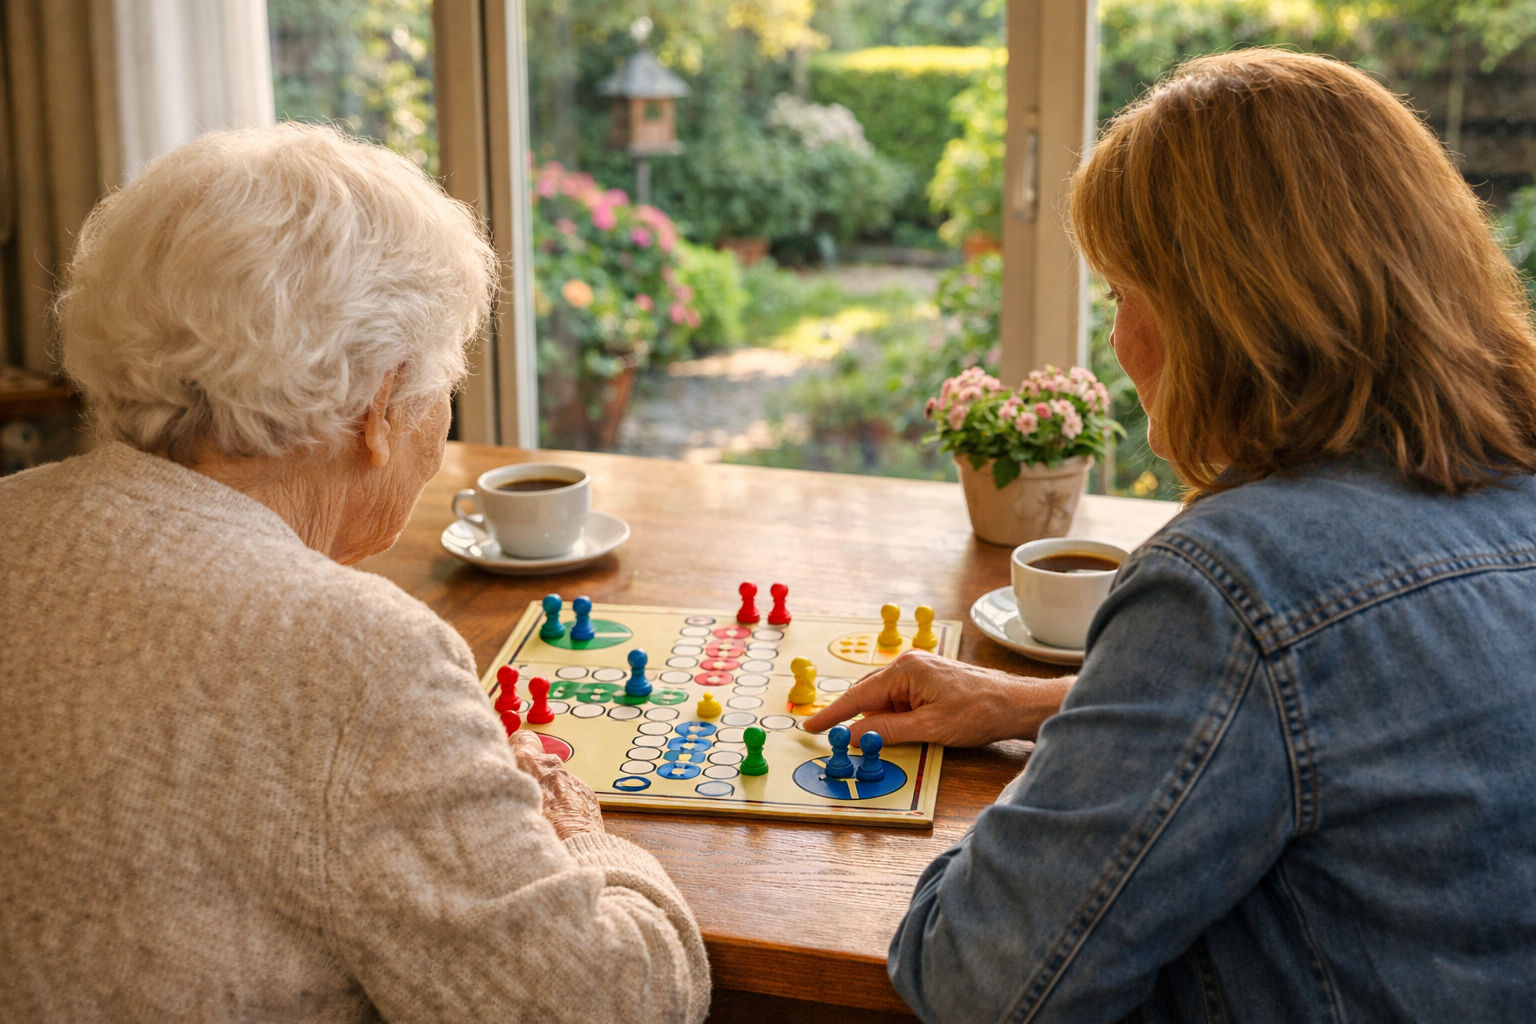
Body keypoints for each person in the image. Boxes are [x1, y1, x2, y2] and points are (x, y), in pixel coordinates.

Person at [806, 48, 1536, 1022]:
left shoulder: (1231, 581)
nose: (1116, 343)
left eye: (1122, 293)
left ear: (1221, 312)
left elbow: (974, 979)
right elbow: (1373, 716)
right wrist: (1037, 702)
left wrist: (1067, 785)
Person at [0, 123, 710, 1022]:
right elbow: (606, 1005)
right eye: (440, 391)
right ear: (378, 409)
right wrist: (586, 846)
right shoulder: (358, 654)